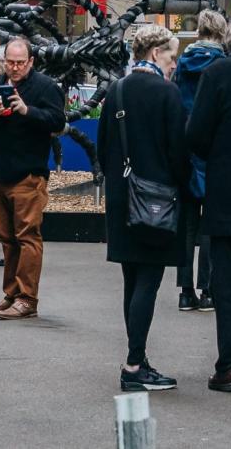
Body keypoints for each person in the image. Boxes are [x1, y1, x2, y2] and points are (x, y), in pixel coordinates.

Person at [99, 23, 188, 393]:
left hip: (123, 199)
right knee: (148, 282)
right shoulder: (167, 94)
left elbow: (103, 149)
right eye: (171, 55)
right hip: (157, 202)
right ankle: (134, 364)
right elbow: (178, 152)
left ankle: (138, 355)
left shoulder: (116, 91)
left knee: (131, 281)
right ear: (155, 53)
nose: (174, 64)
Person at [0, 35, 66, 319]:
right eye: (9, 63)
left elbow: (58, 121)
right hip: (0, 170)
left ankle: (27, 298)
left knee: (27, 236)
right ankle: (11, 294)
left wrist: (27, 110)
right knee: (7, 238)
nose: (14, 68)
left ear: (31, 62)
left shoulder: (45, 87)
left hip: (29, 172)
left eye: (20, 63)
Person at [172, 8, 227, 310]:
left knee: (187, 223)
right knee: (210, 225)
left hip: (187, 148)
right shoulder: (222, 64)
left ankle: (184, 289)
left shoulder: (183, 62)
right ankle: (208, 289)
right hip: (214, 150)